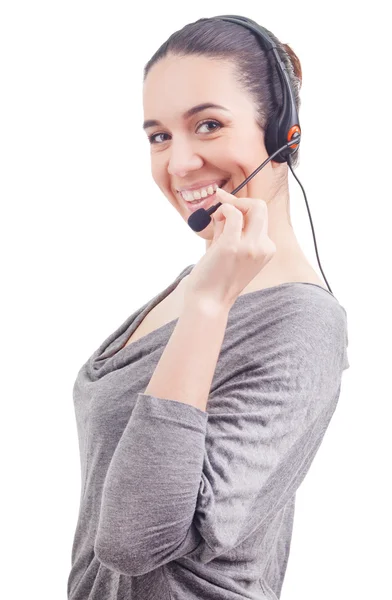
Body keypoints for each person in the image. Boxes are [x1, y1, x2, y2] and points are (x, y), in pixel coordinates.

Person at [67, 16, 350, 600]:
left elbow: (132, 539)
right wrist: (207, 293)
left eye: (209, 125)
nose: (179, 164)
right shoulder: (194, 286)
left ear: (284, 134)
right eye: (159, 136)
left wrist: (210, 303)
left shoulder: (302, 325)